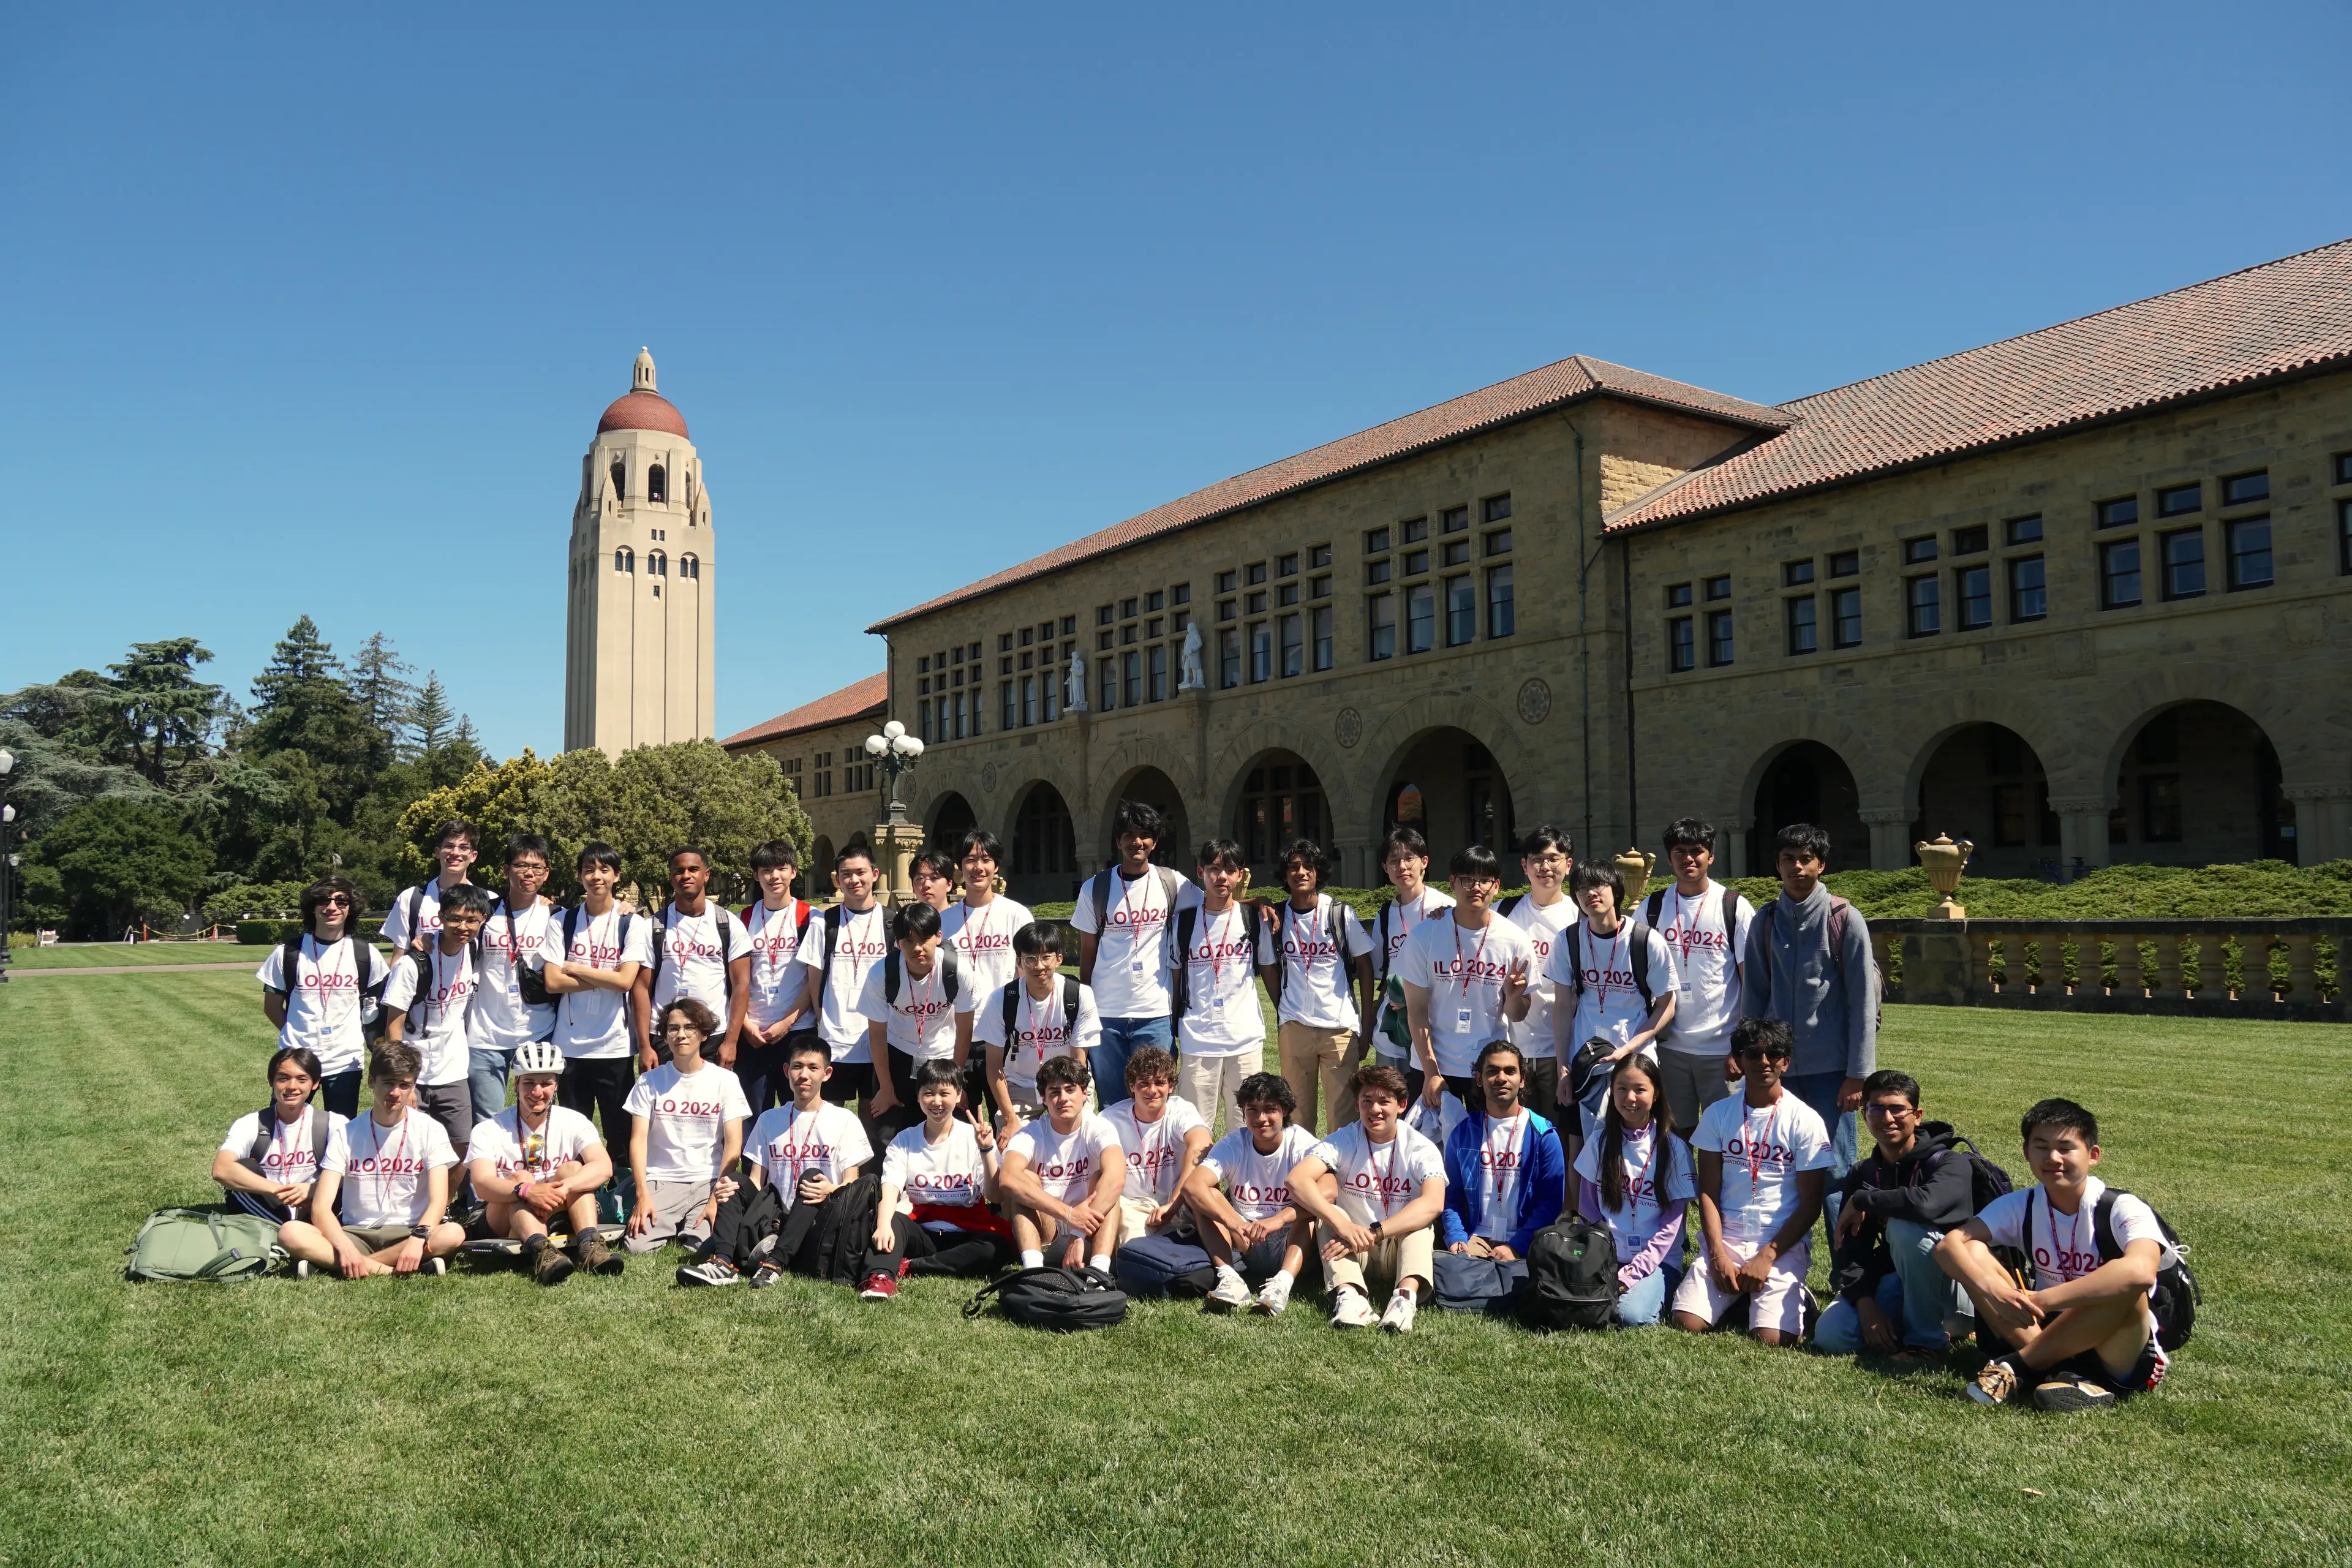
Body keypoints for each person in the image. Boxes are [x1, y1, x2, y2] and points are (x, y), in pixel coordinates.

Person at [1936, 1098, 2180, 1411]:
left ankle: (2018, 1368)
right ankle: (2065, 1378)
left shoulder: (2122, 1207)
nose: (2053, 1158)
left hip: (2118, 1347)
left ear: (2093, 1156)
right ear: (2026, 1153)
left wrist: (2043, 1300)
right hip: (2048, 1331)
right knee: (1970, 1249)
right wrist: (1994, 1291)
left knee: (2125, 1281)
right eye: (2041, 1147)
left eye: (2066, 1148)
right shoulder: (2021, 1204)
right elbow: (1948, 1246)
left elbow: (2141, 1272)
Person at [1741, 821, 1875, 1231]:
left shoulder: (1844, 918)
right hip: (1777, 1068)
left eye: (1806, 859)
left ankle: (1846, 1274)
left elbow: (1863, 1001)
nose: (1797, 867)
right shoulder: (1764, 921)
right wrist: (1748, 1056)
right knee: (1775, 1164)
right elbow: (1755, 997)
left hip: (1831, 1070)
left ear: (1821, 865)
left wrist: (1858, 1075)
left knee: (1834, 1168)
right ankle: (1781, 1262)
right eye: (1788, 860)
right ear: (1777, 866)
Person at [1672, 1017, 1833, 1346]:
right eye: (1753, 1054)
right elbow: (1708, 1192)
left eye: (1774, 1054)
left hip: (1779, 1244)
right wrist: (1717, 1253)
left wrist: (1768, 1256)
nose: (1764, 1062)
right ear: (1739, 1061)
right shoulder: (1718, 1114)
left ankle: (1794, 1296)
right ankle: (1742, 1296)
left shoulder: (1805, 1120)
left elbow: (1811, 1204)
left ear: (1786, 1062)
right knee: (1686, 1322)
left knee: (1771, 1339)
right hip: (1728, 1240)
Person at [681, 1036, 872, 1286]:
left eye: (813, 1068)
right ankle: (723, 1263)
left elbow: (851, 1185)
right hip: (775, 1217)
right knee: (734, 1181)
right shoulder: (770, 1119)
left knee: (812, 1177)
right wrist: (731, 1190)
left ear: (826, 1074)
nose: (804, 1075)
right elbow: (756, 1182)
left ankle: (775, 1264)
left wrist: (829, 1189)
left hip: (819, 1216)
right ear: (786, 1071)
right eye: (797, 1066)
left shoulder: (843, 1119)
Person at [1817, 1068, 1980, 1359]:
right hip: (1900, 1280)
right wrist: (1866, 1304)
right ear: (1864, 1114)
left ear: (1917, 1115)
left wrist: (1864, 1200)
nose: (1887, 1118)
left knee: (1905, 1230)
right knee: (1832, 1335)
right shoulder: (1865, 1172)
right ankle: (1904, 1325)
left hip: (1960, 1289)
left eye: (1897, 1109)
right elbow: (1852, 1247)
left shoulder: (1950, 1163)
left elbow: (1925, 1205)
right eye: (1876, 1109)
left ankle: (1926, 1344)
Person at [277, 1042, 467, 1279]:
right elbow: (321, 1208)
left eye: (404, 1085)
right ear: (371, 1082)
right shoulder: (347, 1133)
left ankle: (343, 1266)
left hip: (409, 1231)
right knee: (290, 1232)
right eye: (388, 1083)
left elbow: (439, 1200)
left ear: (413, 1088)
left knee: (453, 1233)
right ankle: (392, 1271)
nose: (395, 1093)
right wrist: (346, 1248)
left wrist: (418, 1238)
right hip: (356, 1233)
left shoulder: (431, 1130)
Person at [1286, 1064, 1447, 1333]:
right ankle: (1350, 1297)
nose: (1375, 1110)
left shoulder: (1421, 1147)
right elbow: (1297, 1180)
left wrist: (1376, 1233)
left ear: (1402, 1105)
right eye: (1367, 1101)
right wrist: (1342, 1223)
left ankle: (1404, 1300)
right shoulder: (1345, 1139)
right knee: (1329, 1217)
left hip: (1396, 1245)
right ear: (1357, 1104)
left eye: (1384, 1101)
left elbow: (1434, 1202)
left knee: (1421, 1223)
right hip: (1352, 1245)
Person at [1397, 844, 1534, 1137]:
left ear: (1496, 886)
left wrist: (1512, 996)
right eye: (1467, 879)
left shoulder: (1515, 940)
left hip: (1489, 1067)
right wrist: (1432, 1071)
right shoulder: (1425, 935)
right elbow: (1417, 1012)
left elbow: (1518, 1014)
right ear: (1452, 883)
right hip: (1434, 1064)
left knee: (1487, 1151)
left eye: (1485, 880)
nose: (1476, 887)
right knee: (1430, 1153)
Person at [1071, 800, 1199, 1107]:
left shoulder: (1172, 883)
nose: (1136, 842)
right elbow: (1087, 954)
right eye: (1128, 835)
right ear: (1118, 841)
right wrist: (1085, 1009)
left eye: (1144, 835)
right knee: (1112, 1104)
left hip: (1155, 1013)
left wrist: (1257, 902)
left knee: (1155, 1102)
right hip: (1106, 1015)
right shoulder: (1095, 888)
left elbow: (1218, 904)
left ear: (1154, 842)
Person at [467, 1039, 621, 1283]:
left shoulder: (574, 1121)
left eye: (546, 1083)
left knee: (573, 1169)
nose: (537, 1092)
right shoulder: (488, 1129)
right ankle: (543, 1254)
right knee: (520, 1177)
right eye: (529, 1083)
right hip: (500, 1216)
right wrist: (528, 1191)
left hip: (555, 1207)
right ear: (516, 1083)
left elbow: (603, 1166)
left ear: (557, 1085)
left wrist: (565, 1187)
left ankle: (591, 1247)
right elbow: (483, 1183)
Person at [1546, 861, 1675, 1147]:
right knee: (1580, 1151)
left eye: (1598, 885)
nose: (1590, 893)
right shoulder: (1569, 939)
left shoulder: (1646, 941)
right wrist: (1563, 1069)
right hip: (1585, 1061)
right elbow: (1563, 1007)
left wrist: (1628, 1049)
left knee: (1636, 1145)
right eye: (1581, 888)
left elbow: (1667, 1005)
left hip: (1635, 1061)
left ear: (1616, 890)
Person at [861, 1059, 1013, 1295]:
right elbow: (890, 1189)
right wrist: (883, 1226)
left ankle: (914, 1266)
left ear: (959, 1094)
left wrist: (985, 1150)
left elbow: (996, 1196)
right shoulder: (905, 1140)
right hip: (920, 1227)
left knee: (996, 1247)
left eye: (945, 1093)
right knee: (890, 1221)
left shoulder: (973, 1137)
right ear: (919, 1095)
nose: (937, 1102)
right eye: (929, 1094)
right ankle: (880, 1276)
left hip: (967, 1229)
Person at [1643, 818, 1754, 1136]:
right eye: (1680, 852)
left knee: (1731, 1138)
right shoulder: (1653, 906)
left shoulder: (1733, 907)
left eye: (1697, 851)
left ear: (1711, 857)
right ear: (1670, 858)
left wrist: (1741, 1048)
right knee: (1675, 1137)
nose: (1688, 859)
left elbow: (1751, 983)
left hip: (1722, 1050)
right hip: (1669, 1047)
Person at [1257, 839, 1375, 1135]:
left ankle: (1340, 1180)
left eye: (1308, 866)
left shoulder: (1339, 913)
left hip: (1339, 1027)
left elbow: (1365, 967)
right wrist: (1282, 1007)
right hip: (1295, 1026)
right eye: (1293, 867)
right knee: (1296, 1119)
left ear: (1318, 873)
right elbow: (1268, 967)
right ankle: (1299, 1178)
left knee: (1343, 1119)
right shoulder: (1276, 917)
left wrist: (1366, 1024)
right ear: (1285, 875)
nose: (1301, 872)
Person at [1436, 1041, 1567, 1308]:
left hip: (1524, 1242)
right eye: (1492, 1071)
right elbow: (1452, 1198)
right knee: (1441, 1274)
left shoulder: (1544, 1135)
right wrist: (1458, 1238)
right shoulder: (1463, 1133)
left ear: (1522, 1080)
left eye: (1510, 1071)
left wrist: (1516, 1245)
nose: (1501, 1078)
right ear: (1479, 1079)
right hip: (1475, 1239)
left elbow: (1550, 1203)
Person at [1573, 1052, 1696, 1326]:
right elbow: (1588, 1212)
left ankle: (1660, 1291)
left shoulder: (1674, 1148)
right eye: (1622, 1089)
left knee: (1631, 1315)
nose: (1630, 1098)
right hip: (1608, 1259)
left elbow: (1670, 1227)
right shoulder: (1598, 1142)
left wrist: (1633, 1273)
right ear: (1612, 1092)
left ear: (1656, 1094)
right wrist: (1599, 1260)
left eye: (1640, 1089)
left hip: (1657, 1262)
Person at [544, 841, 652, 1154]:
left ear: (616, 876)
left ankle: (620, 1195)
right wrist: (605, 977)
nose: (596, 877)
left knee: (619, 1133)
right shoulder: (561, 922)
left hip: (614, 1045)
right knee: (574, 1135)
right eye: (589, 870)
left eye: (604, 870)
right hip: (570, 1045)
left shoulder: (631, 923)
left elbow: (625, 981)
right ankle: (581, 1197)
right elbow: (552, 982)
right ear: (580, 877)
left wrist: (575, 968)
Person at [621, 998, 750, 1256]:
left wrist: (716, 1197)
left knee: (704, 1246)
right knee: (635, 1246)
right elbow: (637, 1141)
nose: (680, 1035)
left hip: (709, 1180)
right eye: (673, 1028)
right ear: (666, 1036)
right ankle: (672, 1221)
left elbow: (734, 1144)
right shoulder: (649, 1082)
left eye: (689, 1028)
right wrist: (642, 1194)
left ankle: (691, 1226)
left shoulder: (726, 1080)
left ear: (703, 1035)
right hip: (662, 1180)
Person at [1185, 1072, 1322, 1314]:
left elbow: (1329, 1190)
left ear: (1285, 1111)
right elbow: (1193, 1186)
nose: (1261, 1118)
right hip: (1244, 1237)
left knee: (1312, 1208)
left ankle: (1283, 1284)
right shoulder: (1234, 1142)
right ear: (1243, 1111)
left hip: (1289, 1237)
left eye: (1270, 1109)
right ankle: (1230, 1278)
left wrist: (1279, 1219)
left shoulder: (1301, 1143)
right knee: (1206, 1199)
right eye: (1253, 1110)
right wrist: (1235, 1223)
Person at [382, 881, 494, 1170]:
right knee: (407, 1144)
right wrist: (401, 1083)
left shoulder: (475, 950)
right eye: (455, 918)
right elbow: (393, 1027)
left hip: (452, 1068)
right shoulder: (414, 963)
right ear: (441, 918)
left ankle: (444, 1205)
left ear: (482, 920)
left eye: (472, 920)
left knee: (461, 1146)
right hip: (413, 1066)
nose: (463, 927)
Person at [257, 876, 382, 1117]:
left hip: (345, 1060)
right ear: (312, 908)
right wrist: (295, 1032)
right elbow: (272, 1007)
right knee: (283, 1126)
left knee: (341, 1133)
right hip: (297, 1057)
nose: (332, 907)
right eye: (324, 900)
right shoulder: (287, 952)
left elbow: (376, 1010)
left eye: (341, 901)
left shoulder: (366, 953)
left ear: (350, 908)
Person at [467, 832, 563, 1129]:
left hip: (538, 1031)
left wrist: (622, 907)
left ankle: (538, 1174)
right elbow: (451, 934)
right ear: (507, 870)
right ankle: (490, 1176)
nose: (529, 873)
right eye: (520, 866)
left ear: (546, 873)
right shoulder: (485, 913)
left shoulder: (558, 916)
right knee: (487, 1122)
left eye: (537, 867)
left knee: (539, 1117)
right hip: (485, 1035)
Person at [858, 900, 977, 1136]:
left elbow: (964, 1031)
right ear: (898, 942)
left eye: (924, 939)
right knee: (888, 1137)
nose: (917, 948)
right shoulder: (882, 974)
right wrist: (885, 1087)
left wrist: (957, 1083)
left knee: (947, 1135)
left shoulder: (958, 971)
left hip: (945, 1055)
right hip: (897, 1052)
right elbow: (877, 1034)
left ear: (938, 937)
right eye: (908, 941)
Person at [997, 1055, 1125, 1272]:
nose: (1063, 1098)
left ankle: (1099, 1275)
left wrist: (1078, 1232)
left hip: (1088, 1237)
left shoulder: (1100, 1128)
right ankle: (1034, 1272)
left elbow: (1117, 1177)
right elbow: (1008, 1178)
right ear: (1044, 1099)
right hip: (1046, 1235)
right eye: (1054, 1092)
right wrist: (1069, 1215)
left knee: (1104, 1181)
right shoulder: (1030, 1134)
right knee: (1025, 1180)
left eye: (1070, 1089)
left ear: (1084, 1094)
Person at [1169, 839, 1265, 1129]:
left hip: (1244, 1039)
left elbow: (1270, 970)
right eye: (1213, 869)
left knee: (1246, 1128)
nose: (1221, 876)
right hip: (1198, 1040)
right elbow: (1175, 978)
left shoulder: (1252, 919)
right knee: (1195, 1129)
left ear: (1240, 875)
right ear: (1201, 872)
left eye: (1229, 869)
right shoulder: (1182, 924)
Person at [974, 921, 1102, 1136]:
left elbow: (1079, 1062)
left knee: (1083, 1141)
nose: (1039, 966)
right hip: (1020, 1085)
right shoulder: (1001, 1000)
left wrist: (1066, 1097)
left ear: (1059, 959)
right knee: (1011, 1148)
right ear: (1019, 962)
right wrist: (1009, 1118)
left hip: (1070, 1082)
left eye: (1046, 957)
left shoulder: (1079, 995)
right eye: (1031, 958)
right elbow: (994, 1066)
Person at [635, 846, 752, 1069]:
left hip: (713, 1036)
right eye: (679, 871)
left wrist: (731, 1041)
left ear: (706, 875)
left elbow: (741, 985)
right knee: (664, 1103)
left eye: (694, 869)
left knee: (708, 1104)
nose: (686, 875)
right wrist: (644, 1046)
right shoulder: (653, 926)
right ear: (671, 878)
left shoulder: (727, 924)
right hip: (665, 1035)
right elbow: (641, 988)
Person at [794, 843, 891, 1110]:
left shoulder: (892, 923)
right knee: (830, 1117)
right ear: (837, 879)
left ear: (875, 874)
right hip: (834, 1040)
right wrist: (823, 1020)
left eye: (861, 872)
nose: (854, 880)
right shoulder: (823, 923)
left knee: (874, 1119)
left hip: (879, 1039)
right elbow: (814, 980)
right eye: (846, 874)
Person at [1367, 827, 1453, 1103]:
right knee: (1389, 1101)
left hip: (1434, 1025)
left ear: (1424, 862)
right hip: (1393, 1026)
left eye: (1409, 858)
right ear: (1385, 867)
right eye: (1394, 861)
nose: (1402, 867)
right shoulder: (1385, 914)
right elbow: (1383, 969)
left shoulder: (1446, 908)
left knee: (1431, 1102)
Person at [213, 1047, 344, 1223]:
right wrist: (279, 1192)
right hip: (269, 1204)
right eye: (283, 1078)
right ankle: (281, 1232)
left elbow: (356, 1171)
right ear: (271, 1082)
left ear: (315, 1083)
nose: (292, 1087)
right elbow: (221, 1169)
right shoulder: (251, 1123)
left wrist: (314, 1190)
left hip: (313, 1202)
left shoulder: (333, 1123)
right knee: (243, 1168)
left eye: (302, 1079)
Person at [1498, 825, 1576, 1118]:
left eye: (1553, 859)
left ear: (1568, 865)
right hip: (1513, 1045)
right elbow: (1463, 922)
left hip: (1563, 1050)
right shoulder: (1503, 912)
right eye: (1537, 860)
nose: (1545, 867)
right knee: (1518, 1134)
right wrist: (1440, 913)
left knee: (1561, 1135)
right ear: (1525, 866)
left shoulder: (1580, 915)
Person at [1101, 1046, 1212, 1252]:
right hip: (1134, 1206)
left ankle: (1226, 1263)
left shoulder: (1180, 1109)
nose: (1152, 1091)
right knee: (1138, 1254)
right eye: (1144, 1083)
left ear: (1171, 1087)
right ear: (1132, 1086)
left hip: (1180, 1201)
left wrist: (1174, 1203)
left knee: (1208, 1192)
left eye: (1160, 1083)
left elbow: (1201, 1145)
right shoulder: (1110, 1119)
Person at [737, 838, 814, 1119]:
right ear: (756, 876)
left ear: (794, 871)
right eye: (766, 870)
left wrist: (787, 1022)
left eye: (781, 868)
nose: (774, 876)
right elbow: (733, 980)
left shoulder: (810, 918)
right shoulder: (742, 920)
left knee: (799, 1112)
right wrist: (745, 1026)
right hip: (752, 1034)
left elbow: (813, 981)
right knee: (752, 1116)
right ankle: (752, 1166)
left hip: (797, 1030)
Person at [940, 829, 1033, 1003]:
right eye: (970, 860)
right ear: (959, 867)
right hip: (956, 1020)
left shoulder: (1017, 915)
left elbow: (1027, 975)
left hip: (1003, 1017)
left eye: (986, 860)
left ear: (996, 866)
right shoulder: (943, 921)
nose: (979, 867)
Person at [380, 818, 479, 951]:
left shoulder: (488, 900)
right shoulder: (411, 898)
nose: (455, 853)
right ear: (437, 852)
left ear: (473, 856)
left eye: (464, 847)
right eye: (449, 846)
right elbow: (399, 960)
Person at [906, 847, 956, 913]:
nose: (926, 885)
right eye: (920, 878)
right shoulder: (905, 922)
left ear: (949, 884)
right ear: (913, 887)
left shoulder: (962, 921)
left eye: (934, 878)